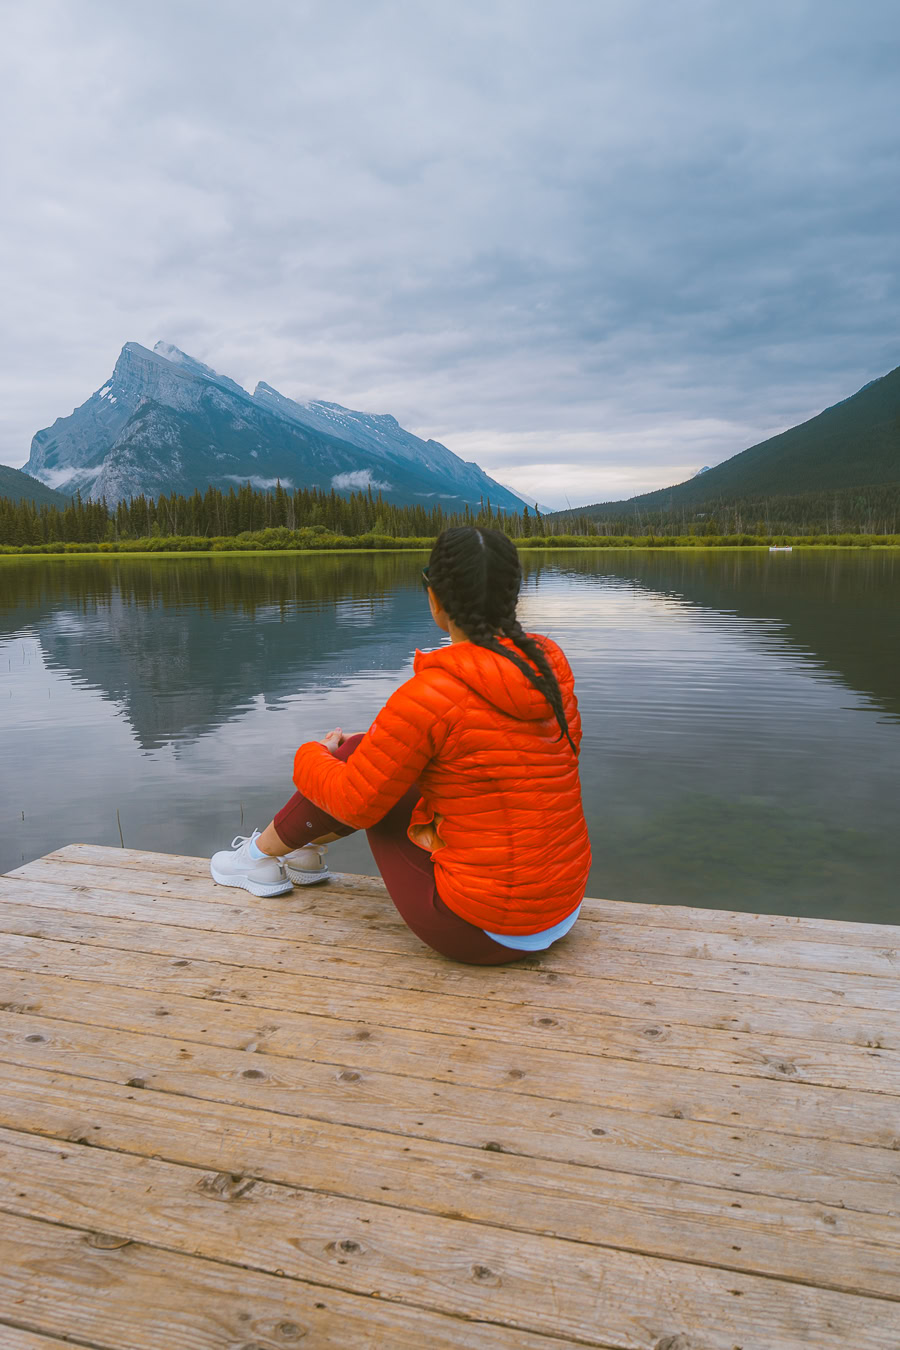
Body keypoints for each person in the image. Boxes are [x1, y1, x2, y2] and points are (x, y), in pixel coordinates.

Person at [210, 526, 591, 964]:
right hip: (561, 906)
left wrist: (311, 753)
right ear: (513, 596)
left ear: (435, 599)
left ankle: (257, 859)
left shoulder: (432, 694)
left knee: (352, 759)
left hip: (480, 931)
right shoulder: (548, 670)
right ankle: (301, 854)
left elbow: (357, 804)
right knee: (373, 752)